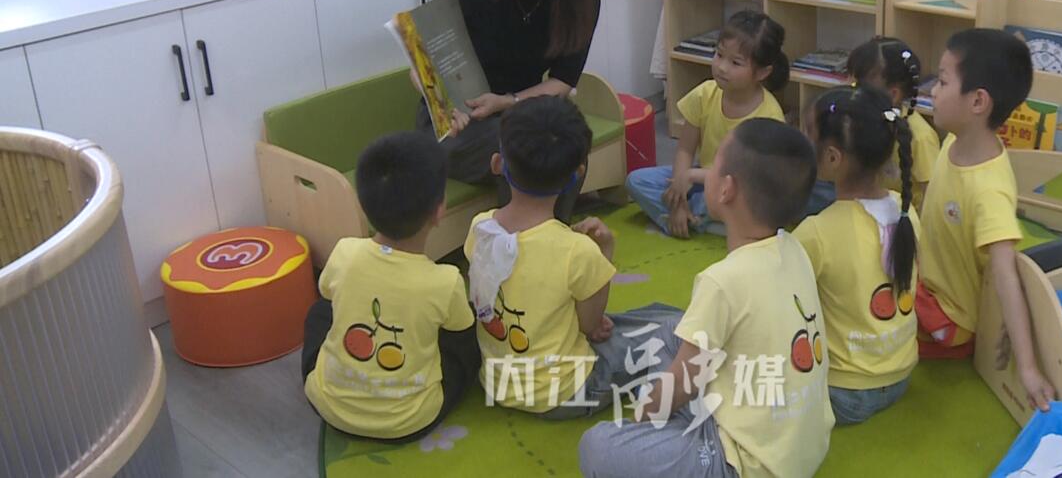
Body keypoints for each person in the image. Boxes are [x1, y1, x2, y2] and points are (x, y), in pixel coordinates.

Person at [579, 119, 835, 478]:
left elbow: (682, 384)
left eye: (713, 164)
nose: (706, 170)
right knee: (669, 329)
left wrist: (638, 424)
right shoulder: (794, 248)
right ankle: (677, 437)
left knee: (598, 446)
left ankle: (676, 442)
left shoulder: (722, 281)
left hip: (742, 464)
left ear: (726, 189)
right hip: (801, 446)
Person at [465, 96, 683, 419]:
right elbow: (590, 325)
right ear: (578, 173)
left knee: (647, 317)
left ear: (498, 164)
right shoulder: (577, 251)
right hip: (567, 392)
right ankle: (656, 394)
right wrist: (604, 253)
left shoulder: (479, 227)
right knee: (675, 327)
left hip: (497, 383)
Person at [419, 0, 600, 223]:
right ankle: (518, 243)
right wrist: (443, 103)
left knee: (566, 139)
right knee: (523, 147)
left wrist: (507, 102)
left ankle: (550, 239)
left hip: (516, 110)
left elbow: (562, 82)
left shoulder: (579, 0)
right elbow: (420, 64)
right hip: (453, 123)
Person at [302, 132, 479, 440]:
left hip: (330, 406)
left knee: (319, 311)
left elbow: (328, 294)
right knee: (466, 334)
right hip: (410, 420)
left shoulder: (344, 251)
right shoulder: (446, 280)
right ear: (439, 211)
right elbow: (461, 335)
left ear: (363, 205)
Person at [916, 28, 1055, 411]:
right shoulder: (955, 140)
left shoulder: (989, 191)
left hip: (949, 317)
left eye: (943, 82)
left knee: (858, 323)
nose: (933, 91)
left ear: (977, 101)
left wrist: (1028, 368)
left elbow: (1008, 277)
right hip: (926, 281)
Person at [794, 86, 920, 425]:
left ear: (833, 158)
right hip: (901, 374)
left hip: (845, 392)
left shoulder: (817, 232)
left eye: (808, 133)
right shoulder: (906, 210)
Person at [625, 10, 788, 237]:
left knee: (750, 204)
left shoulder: (768, 117)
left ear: (762, 72)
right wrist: (680, 195)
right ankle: (695, 219)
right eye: (719, 55)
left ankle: (694, 219)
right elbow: (684, 150)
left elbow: (748, 178)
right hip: (703, 181)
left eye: (735, 63)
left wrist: (691, 177)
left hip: (741, 188)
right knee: (636, 181)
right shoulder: (704, 94)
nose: (722, 67)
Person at [846, 36, 940, 210]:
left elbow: (931, 196)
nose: (849, 91)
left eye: (857, 86)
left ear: (893, 94)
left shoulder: (921, 138)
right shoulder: (863, 120)